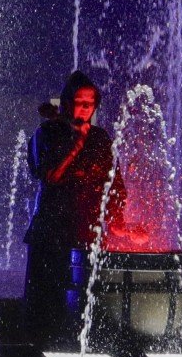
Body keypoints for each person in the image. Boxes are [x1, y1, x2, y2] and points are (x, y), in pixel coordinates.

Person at [24, 71, 122, 342]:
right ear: (67, 103)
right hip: (51, 234)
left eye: (89, 103)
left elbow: (115, 185)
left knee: (82, 308)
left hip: (87, 236)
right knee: (46, 307)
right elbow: (49, 176)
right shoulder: (46, 134)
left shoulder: (101, 139)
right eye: (78, 102)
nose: (84, 109)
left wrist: (120, 223)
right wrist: (75, 146)